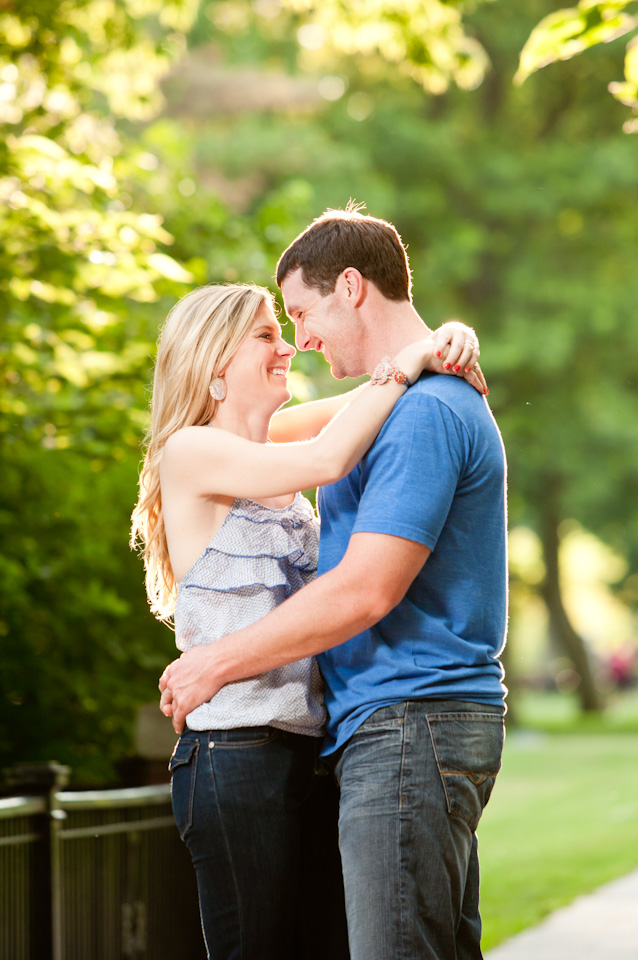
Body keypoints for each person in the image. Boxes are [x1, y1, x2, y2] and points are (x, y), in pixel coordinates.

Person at [159, 207, 507, 960]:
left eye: (298, 318)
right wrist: (415, 358)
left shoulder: (335, 425)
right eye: (271, 332)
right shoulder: (197, 450)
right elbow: (339, 446)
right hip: (244, 749)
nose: (296, 343)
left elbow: (364, 418)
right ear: (213, 362)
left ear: (351, 286)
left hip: (334, 741)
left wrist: (443, 344)